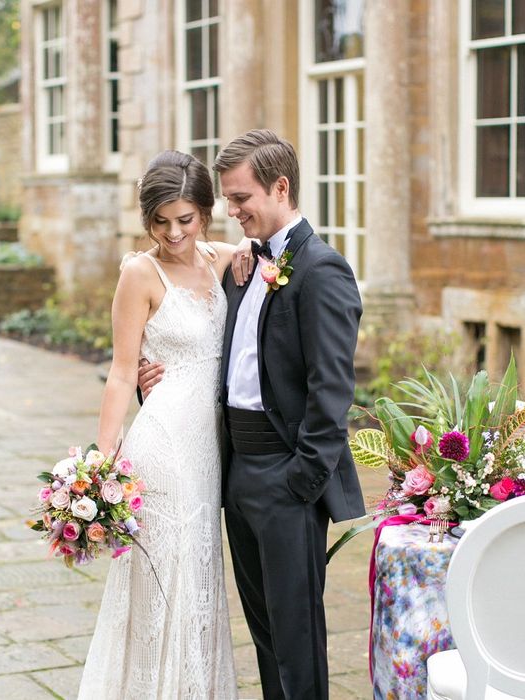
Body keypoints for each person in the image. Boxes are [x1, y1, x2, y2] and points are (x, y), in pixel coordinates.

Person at [140, 129, 364, 699]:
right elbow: (215, 356)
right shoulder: (243, 265)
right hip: (236, 471)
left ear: (280, 187)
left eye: (240, 199)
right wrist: (156, 387)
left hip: (286, 477)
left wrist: (301, 482)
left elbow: (331, 390)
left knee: (296, 637)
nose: (231, 211)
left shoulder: (321, 269)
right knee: (263, 637)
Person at [77, 150, 241, 699]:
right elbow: (123, 373)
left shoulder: (218, 260)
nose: (173, 233)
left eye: (185, 220)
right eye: (161, 221)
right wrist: (100, 465)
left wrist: (250, 256)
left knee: (198, 577)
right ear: (146, 219)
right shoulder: (139, 273)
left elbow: (260, 249)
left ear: (205, 214)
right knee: (163, 581)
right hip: (164, 445)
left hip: (207, 449)